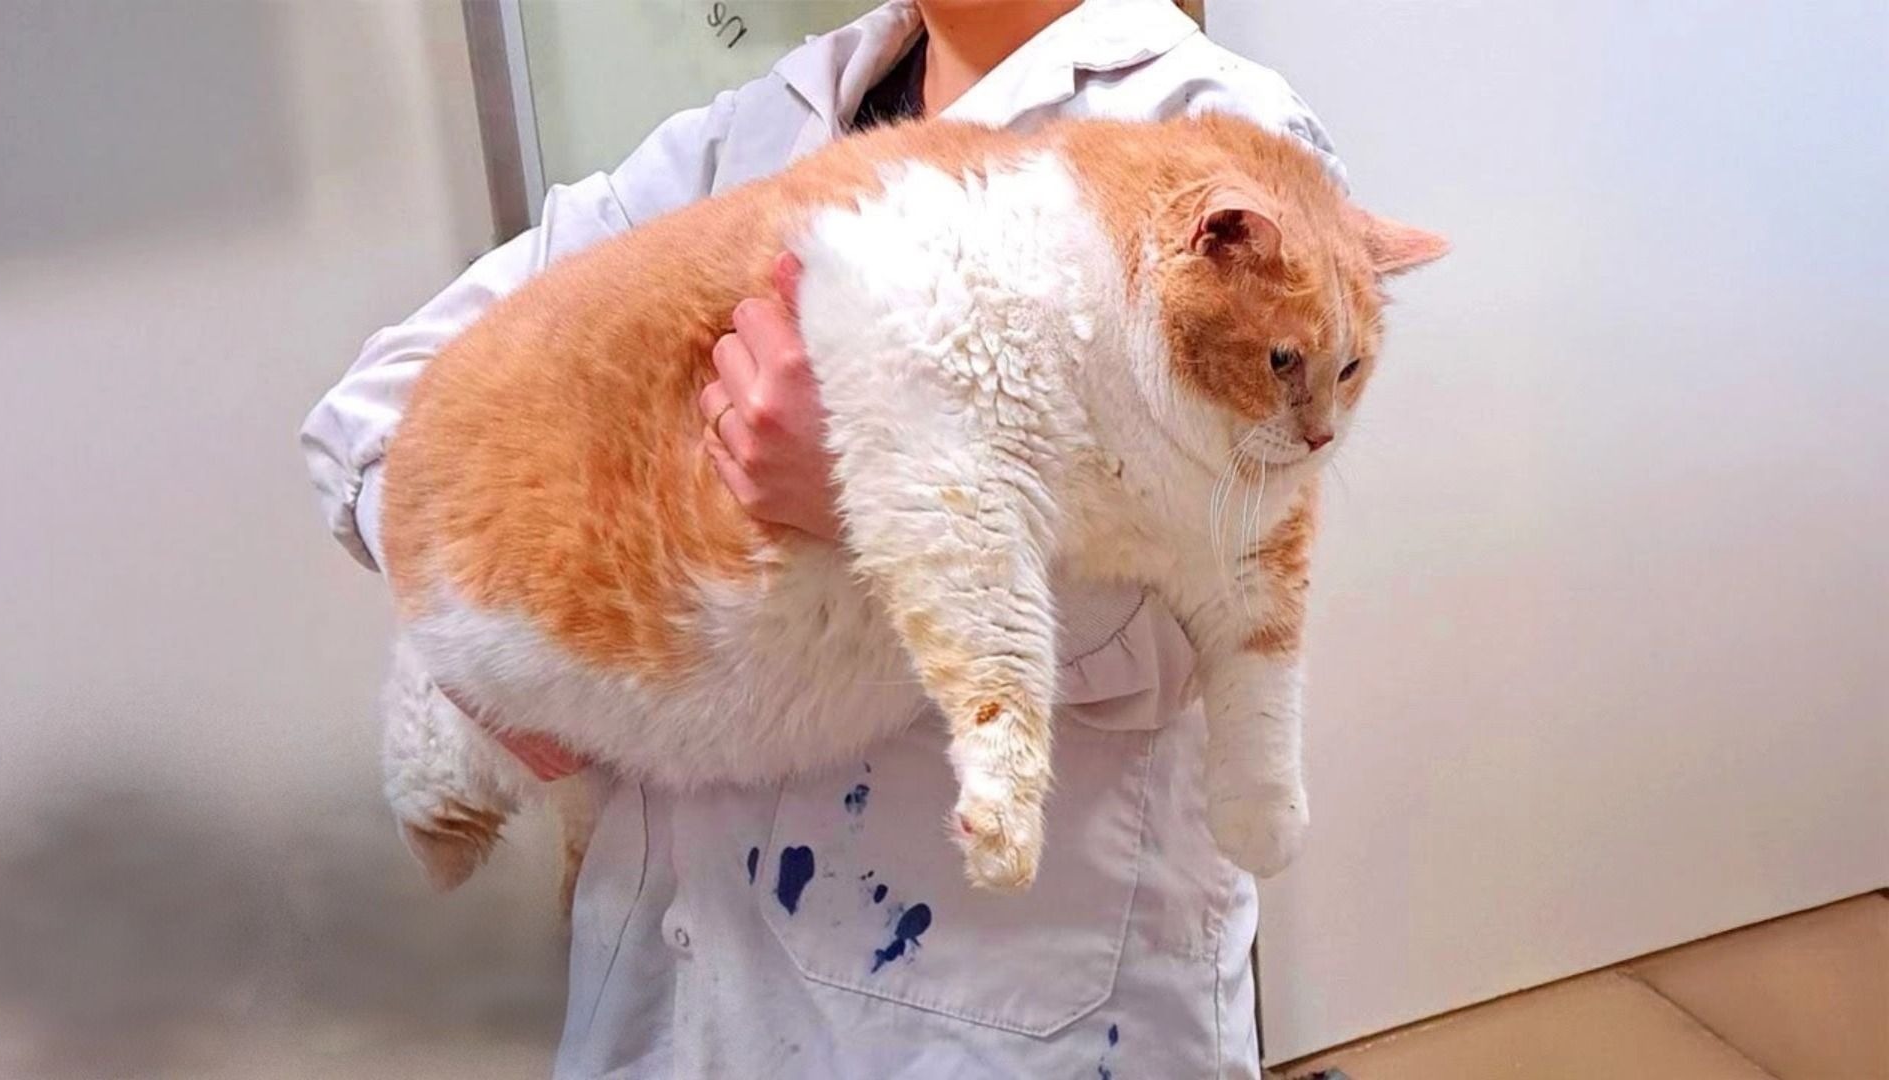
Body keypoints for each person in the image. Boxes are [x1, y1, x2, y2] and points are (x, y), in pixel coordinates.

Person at [301, 1, 1344, 1075]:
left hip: (982, 1006)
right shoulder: (768, 121)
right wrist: (484, 631)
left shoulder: (1212, 135)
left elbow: (1207, 626)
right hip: (668, 975)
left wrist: (870, 498)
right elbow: (369, 409)